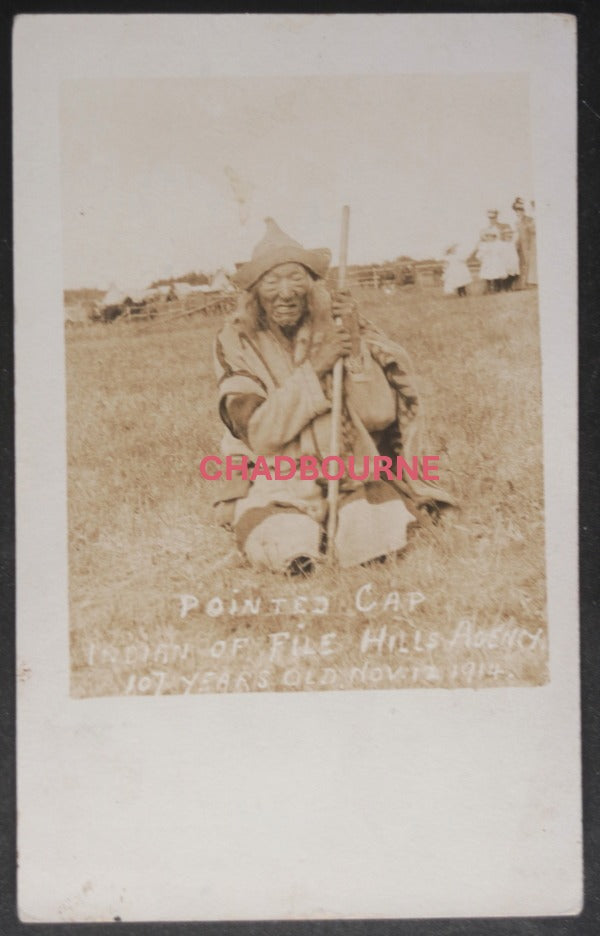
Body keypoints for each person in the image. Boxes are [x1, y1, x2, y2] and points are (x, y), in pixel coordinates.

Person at [212, 218, 454, 573]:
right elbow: (260, 435)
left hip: (348, 467)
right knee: (282, 539)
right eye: (272, 281)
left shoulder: (338, 327)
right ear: (254, 293)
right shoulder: (236, 341)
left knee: (371, 534)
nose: (286, 292)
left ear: (312, 286)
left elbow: (378, 416)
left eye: (296, 278)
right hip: (276, 472)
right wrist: (315, 370)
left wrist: (354, 346)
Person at [512, 197, 537, 289]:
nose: (519, 211)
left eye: (521, 209)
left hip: (528, 244)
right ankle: (521, 284)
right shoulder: (515, 222)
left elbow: (533, 231)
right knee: (520, 264)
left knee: (528, 263)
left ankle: (530, 283)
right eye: (517, 209)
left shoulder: (530, 220)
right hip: (518, 245)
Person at [476, 229, 504, 293]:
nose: (490, 238)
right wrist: (481, 259)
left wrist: (500, 259)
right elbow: (480, 254)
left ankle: (498, 288)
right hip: (487, 262)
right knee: (488, 275)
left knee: (497, 274)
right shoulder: (483, 245)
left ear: (494, 237)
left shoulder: (497, 245)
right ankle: (488, 288)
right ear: (486, 237)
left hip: (496, 261)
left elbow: (501, 253)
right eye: (488, 236)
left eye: (491, 236)